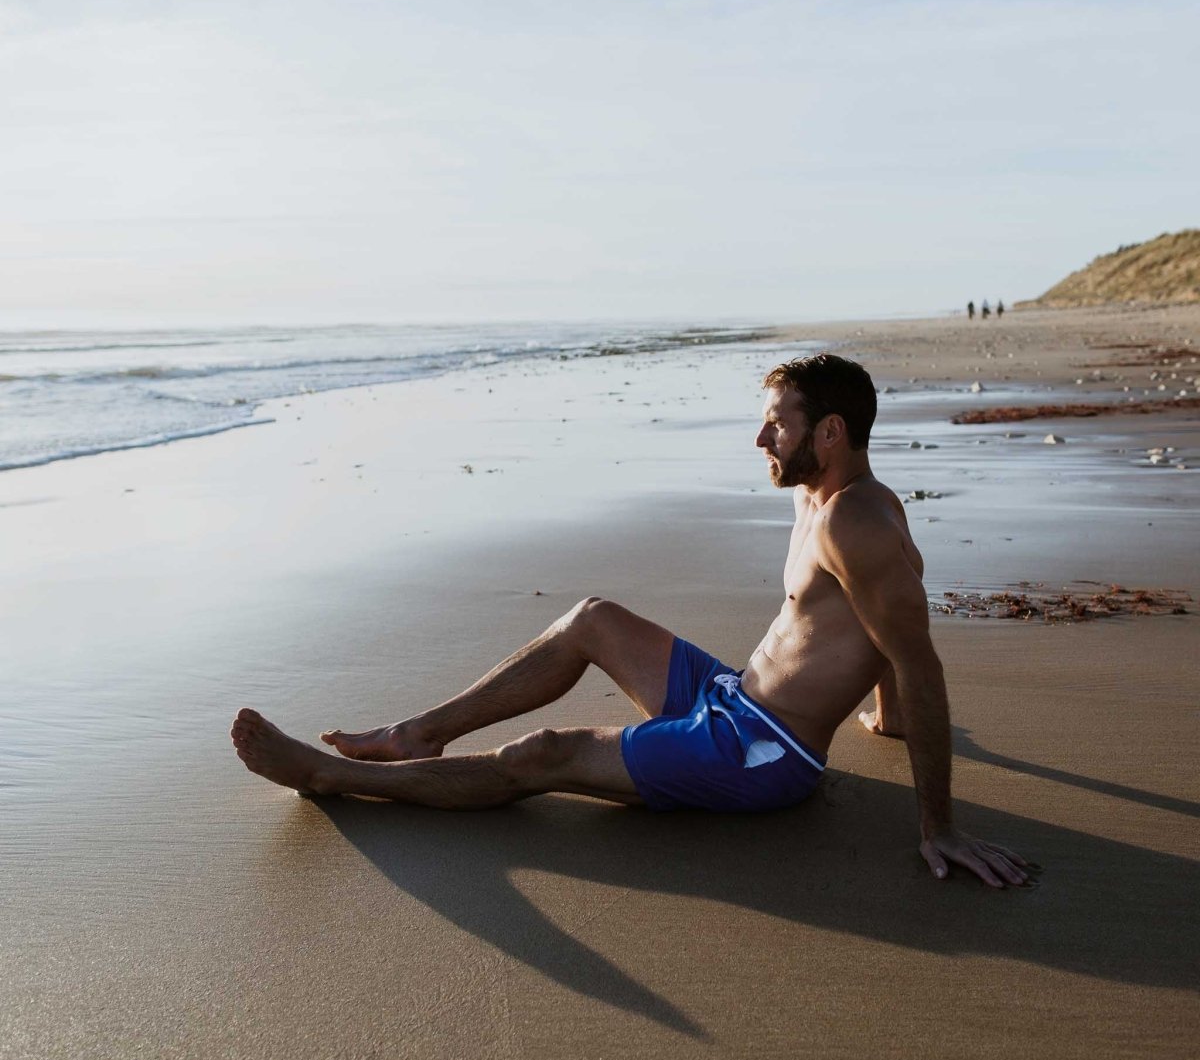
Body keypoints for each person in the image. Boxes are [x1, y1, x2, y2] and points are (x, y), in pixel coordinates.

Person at [231, 354, 1029, 888]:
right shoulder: (817, 495)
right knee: (593, 619)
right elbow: (877, 631)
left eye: (777, 423)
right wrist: (884, 718)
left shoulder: (856, 524)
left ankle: (336, 777)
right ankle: (419, 732)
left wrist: (941, 826)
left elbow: (916, 656)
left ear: (831, 432)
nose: (759, 438)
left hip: (762, 751)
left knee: (546, 755)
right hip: (732, 697)